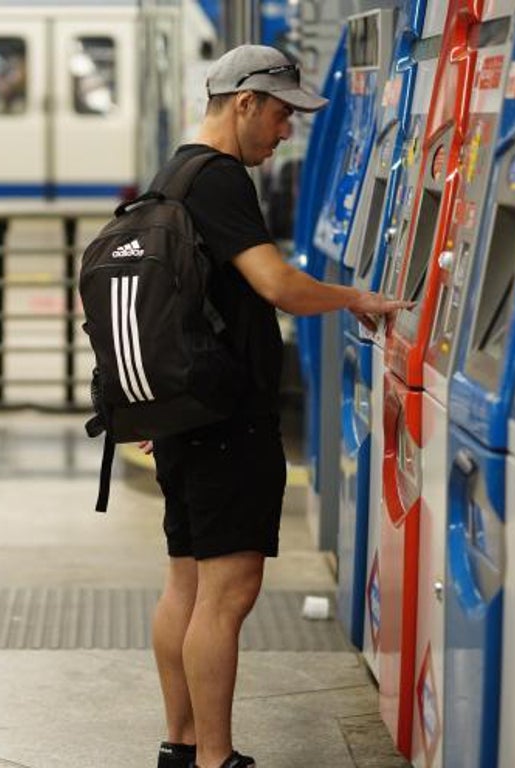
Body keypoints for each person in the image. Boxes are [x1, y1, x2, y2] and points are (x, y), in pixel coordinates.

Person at [144, 45, 411, 768]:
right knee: (226, 595)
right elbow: (279, 285)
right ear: (245, 103)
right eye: (282, 113)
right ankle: (216, 758)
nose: (287, 130)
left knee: (186, 583)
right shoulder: (221, 178)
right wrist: (356, 297)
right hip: (227, 419)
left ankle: (181, 746)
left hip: (185, 413)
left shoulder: (174, 172)